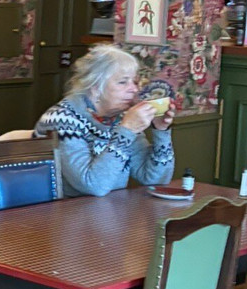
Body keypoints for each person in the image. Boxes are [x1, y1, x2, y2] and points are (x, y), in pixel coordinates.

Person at [34, 44, 175, 197]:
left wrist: (161, 131)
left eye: (134, 82)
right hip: (62, 210)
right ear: (95, 87)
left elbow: (155, 179)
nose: (134, 89)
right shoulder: (61, 119)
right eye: (123, 82)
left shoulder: (119, 119)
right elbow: (94, 186)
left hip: (108, 208)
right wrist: (127, 130)